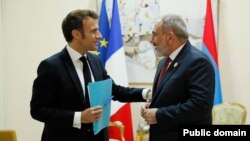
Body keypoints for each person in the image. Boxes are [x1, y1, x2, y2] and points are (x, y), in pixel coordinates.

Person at [30, 9, 150, 141]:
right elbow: (38, 110)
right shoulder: (51, 66)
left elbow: (114, 91)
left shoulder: (95, 61)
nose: (99, 35)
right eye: (94, 31)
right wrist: (79, 117)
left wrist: (146, 93)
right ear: (76, 34)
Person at [141, 14, 215, 141]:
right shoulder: (163, 63)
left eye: (155, 34)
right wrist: (151, 107)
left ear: (170, 37)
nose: (151, 40)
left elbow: (200, 106)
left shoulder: (198, 62)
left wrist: (159, 115)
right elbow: (170, 97)